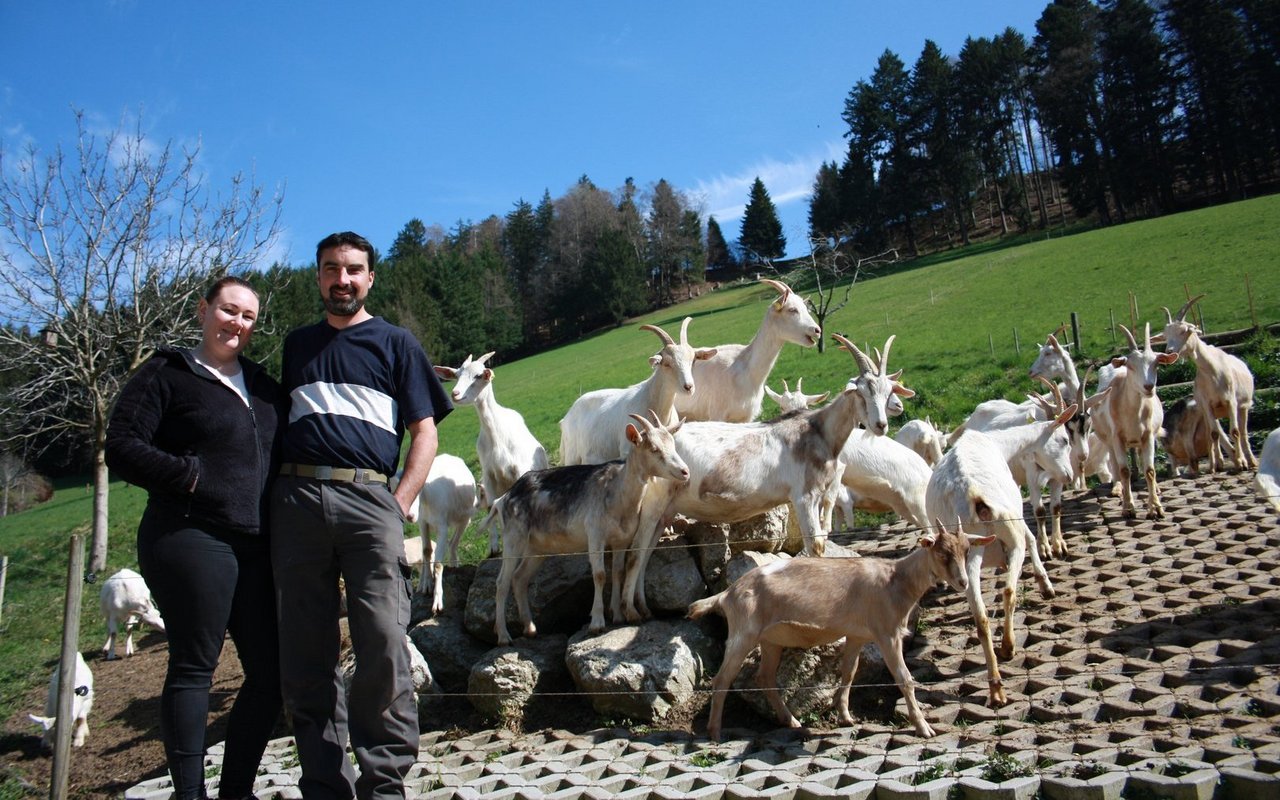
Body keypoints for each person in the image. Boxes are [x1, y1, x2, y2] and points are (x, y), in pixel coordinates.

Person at [270, 231, 452, 799]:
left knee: (382, 641)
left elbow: (425, 430)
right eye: (331, 269)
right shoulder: (296, 346)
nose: (342, 279)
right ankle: (324, 783)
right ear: (318, 277)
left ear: (370, 278)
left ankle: (385, 781)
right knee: (306, 652)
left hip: (369, 501)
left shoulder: (397, 344)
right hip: (297, 505)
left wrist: (397, 504)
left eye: (353, 269)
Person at [105, 276, 283, 800]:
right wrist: (190, 476)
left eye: (249, 317)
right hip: (189, 534)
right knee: (195, 666)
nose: (238, 323)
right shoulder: (168, 372)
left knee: (270, 674)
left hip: (255, 544)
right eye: (229, 311)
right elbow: (121, 444)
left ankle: (236, 791)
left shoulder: (264, 386)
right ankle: (190, 794)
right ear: (203, 310)